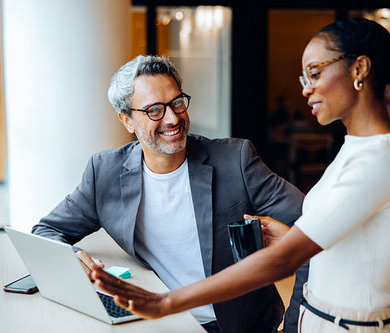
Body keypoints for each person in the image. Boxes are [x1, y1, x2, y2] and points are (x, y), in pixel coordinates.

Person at [92, 18, 390, 333]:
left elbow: (284, 262)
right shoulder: (357, 150)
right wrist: (293, 237)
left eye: (314, 74)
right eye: (304, 78)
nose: (306, 90)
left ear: (359, 69)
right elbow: (345, 243)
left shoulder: (381, 159)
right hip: (320, 319)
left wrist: (165, 303)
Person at [32, 55, 306, 333]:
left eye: (176, 102)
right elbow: (46, 231)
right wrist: (74, 256)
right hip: (160, 321)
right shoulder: (105, 173)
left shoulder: (235, 160)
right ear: (127, 120)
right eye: (154, 110)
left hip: (236, 326)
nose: (173, 118)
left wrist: (296, 327)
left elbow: (316, 229)